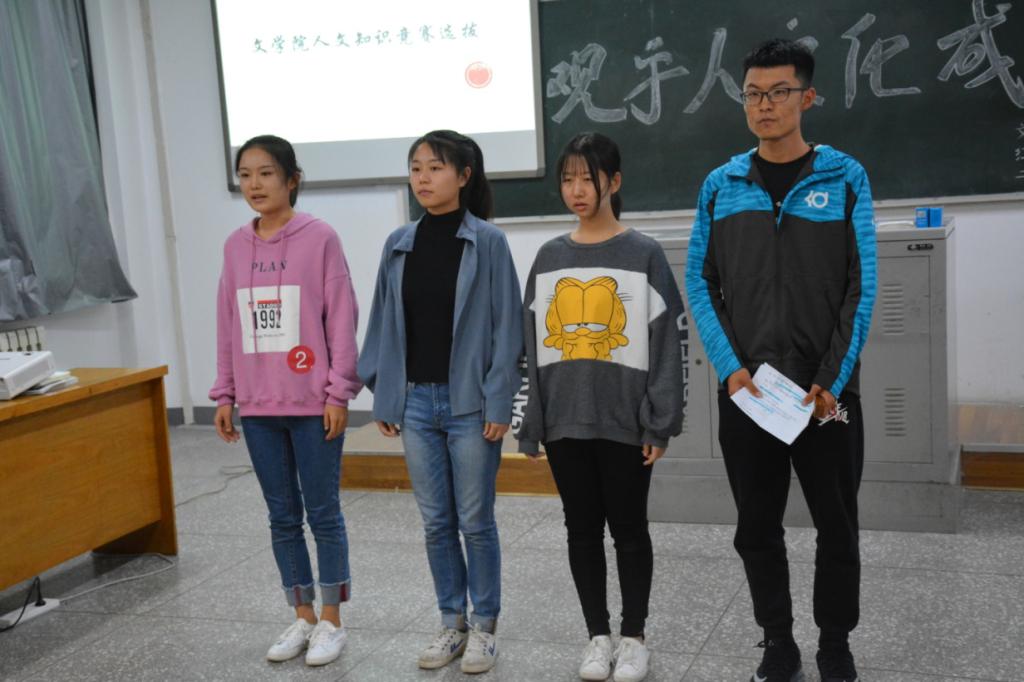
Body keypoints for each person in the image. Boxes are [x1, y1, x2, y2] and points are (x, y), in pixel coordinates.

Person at [685, 38, 877, 682]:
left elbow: (861, 286)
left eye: (779, 92)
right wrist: (729, 368)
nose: (764, 105)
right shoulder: (721, 185)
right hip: (750, 393)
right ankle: (777, 641)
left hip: (827, 397)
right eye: (753, 94)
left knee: (837, 526)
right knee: (756, 527)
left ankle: (835, 644)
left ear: (807, 97)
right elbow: (701, 281)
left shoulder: (844, 178)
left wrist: (832, 380)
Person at [515, 132, 685, 682]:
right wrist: (531, 422)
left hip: (626, 422)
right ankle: (597, 635)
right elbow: (529, 343)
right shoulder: (550, 257)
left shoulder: (644, 253)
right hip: (565, 423)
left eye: (588, 178)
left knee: (630, 530)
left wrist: (660, 421)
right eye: (567, 179)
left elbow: (668, 343)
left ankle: (634, 637)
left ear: (613, 181)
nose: (577, 190)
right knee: (581, 530)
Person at [357, 129, 523, 674]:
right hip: (415, 403)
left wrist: (499, 401)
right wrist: (385, 394)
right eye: (416, 168)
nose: (423, 178)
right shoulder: (398, 243)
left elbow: (507, 328)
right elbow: (383, 321)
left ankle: (485, 627)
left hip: (470, 404)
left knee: (475, 520)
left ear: (464, 175)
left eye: (435, 167)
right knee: (435, 522)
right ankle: (452, 622)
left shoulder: (487, 242)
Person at [209, 134, 361, 667]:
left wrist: (339, 390)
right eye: (245, 174)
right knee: (281, 517)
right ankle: (302, 615)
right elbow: (228, 323)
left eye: (266, 173)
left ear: (292, 179)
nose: (254, 184)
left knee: (324, 514)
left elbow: (341, 318)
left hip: (313, 404)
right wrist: (225, 392)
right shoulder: (234, 246)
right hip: (258, 408)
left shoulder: (320, 238)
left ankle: (332, 620)